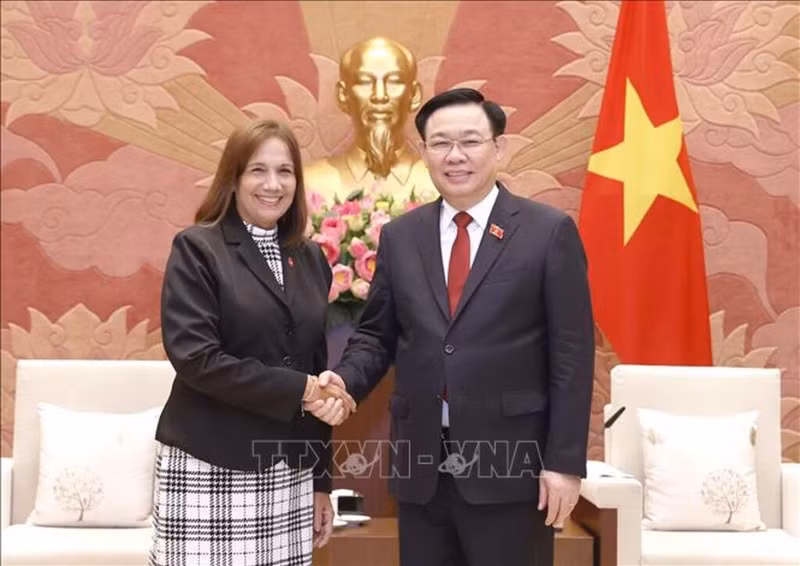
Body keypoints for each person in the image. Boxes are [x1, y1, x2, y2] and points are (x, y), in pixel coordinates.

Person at [315, 89, 595, 566]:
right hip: (423, 467)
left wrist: (564, 463)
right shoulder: (402, 236)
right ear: (425, 152)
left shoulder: (547, 232)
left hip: (511, 467)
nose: (455, 155)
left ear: (498, 148)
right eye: (441, 143)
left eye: (470, 141)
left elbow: (572, 354)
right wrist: (344, 381)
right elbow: (377, 336)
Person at [150, 119, 356, 565]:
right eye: (258, 170)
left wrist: (321, 483)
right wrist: (302, 389)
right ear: (234, 178)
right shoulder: (198, 248)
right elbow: (196, 359)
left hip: (290, 473)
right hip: (210, 462)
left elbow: (314, 366)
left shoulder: (311, 257)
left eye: (285, 171)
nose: (273, 184)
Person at [304, 36, 437, 204]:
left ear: (414, 95)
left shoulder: (439, 184)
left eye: (394, 82)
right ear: (343, 95)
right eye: (364, 82)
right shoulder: (310, 183)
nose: (380, 96)